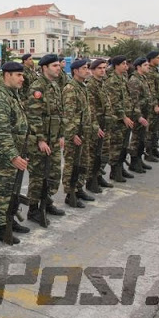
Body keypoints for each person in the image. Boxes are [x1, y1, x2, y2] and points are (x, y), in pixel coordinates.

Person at [0, 61, 30, 244]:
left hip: (17, 150)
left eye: (22, 75)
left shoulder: (13, 95)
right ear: (7, 75)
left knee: (13, 190)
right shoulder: (1, 97)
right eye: (19, 75)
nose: (22, 78)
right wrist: (13, 156)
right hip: (8, 154)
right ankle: (0, 228)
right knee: (4, 191)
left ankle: (10, 220)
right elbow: (2, 131)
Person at [25, 54, 66, 225]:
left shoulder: (55, 86)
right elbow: (34, 116)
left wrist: (62, 135)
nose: (58, 68)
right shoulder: (37, 88)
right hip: (40, 141)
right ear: (44, 68)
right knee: (38, 176)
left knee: (54, 174)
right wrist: (40, 139)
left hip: (54, 139)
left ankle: (46, 201)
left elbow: (59, 113)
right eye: (55, 65)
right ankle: (34, 209)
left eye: (58, 65)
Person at [61, 59, 95, 208]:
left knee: (83, 162)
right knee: (72, 164)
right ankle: (70, 193)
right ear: (75, 71)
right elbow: (68, 115)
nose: (87, 70)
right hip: (74, 133)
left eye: (87, 68)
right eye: (84, 68)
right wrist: (72, 134)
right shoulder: (70, 88)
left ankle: (79, 188)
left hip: (84, 132)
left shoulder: (83, 87)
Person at [104, 55, 135, 182]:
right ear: (116, 65)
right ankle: (114, 171)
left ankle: (121, 167)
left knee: (123, 145)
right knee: (116, 146)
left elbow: (126, 97)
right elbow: (114, 102)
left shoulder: (122, 77)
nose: (126, 66)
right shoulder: (112, 80)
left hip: (126, 116)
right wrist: (123, 117)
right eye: (123, 64)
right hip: (117, 119)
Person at [86, 59, 113, 192]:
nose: (102, 70)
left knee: (104, 152)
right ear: (92, 70)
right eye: (99, 68)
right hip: (97, 124)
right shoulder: (90, 85)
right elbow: (91, 109)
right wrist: (95, 126)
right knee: (94, 154)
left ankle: (99, 175)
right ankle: (91, 180)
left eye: (104, 68)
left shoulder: (103, 84)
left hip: (105, 124)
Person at [127, 58, 153, 173]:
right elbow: (134, 100)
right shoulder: (134, 80)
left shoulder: (142, 78)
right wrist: (138, 116)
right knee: (136, 139)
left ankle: (139, 159)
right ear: (138, 67)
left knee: (142, 138)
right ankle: (134, 162)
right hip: (138, 114)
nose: (148, 67)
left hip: (145, 112)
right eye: (145, 65)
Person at [145, 51, 159, 161]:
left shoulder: (155, 70)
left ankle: (154, 148)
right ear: (152, 59)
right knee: (151, 129)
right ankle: (148, 152)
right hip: (154, 105)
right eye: (158, 58)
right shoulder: (149, 72)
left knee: (157, 128)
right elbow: (151, 90)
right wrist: (155, 105)